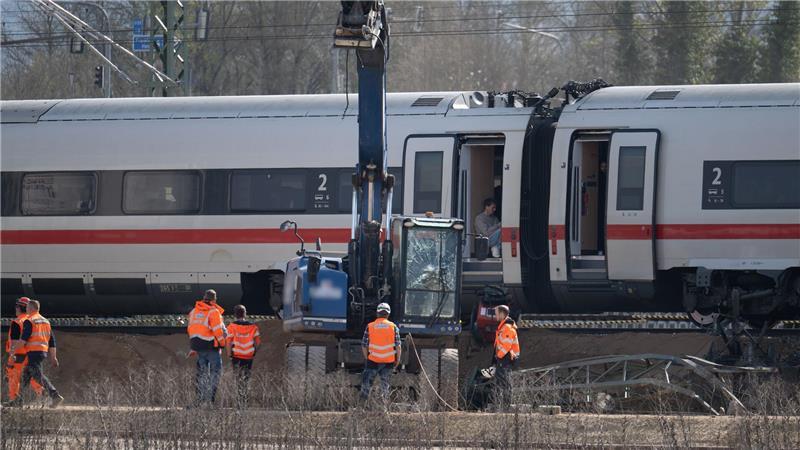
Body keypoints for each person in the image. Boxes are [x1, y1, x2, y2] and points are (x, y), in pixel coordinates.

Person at [9, 300, 63, 407]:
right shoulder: (46, 321)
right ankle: (19, 400)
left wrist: (13, 351)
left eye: (28, 307)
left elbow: (23, 340)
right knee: (26, 375)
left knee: (38, 376)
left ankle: (55, 395)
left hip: (33, 352)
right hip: (42, 352)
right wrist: (53, 357)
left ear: (32, 308)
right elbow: (52, 341)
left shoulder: (30, 321)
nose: (27, 310)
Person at [187, 289, 227, 405]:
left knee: (202, 374)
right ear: (214, 300)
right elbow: (218, 331)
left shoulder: (194, 311)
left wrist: (193, 347)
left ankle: (199, 400)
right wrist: (223, 343)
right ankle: (210, 400)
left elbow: (191, 329)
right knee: (215, 373)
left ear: (204, 298)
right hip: (211, 347)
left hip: (198, 347)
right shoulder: (213, 312)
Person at [360, 302, 401, 405]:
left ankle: (361, 408)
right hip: (388, 362)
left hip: (373, 361)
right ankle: (384, 410)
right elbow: (398, 346)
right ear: (388, 314)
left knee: (366, 385)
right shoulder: (393, 327)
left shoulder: (370, 326)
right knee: (385, 387)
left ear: (377, 313)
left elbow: (364, 345)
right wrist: (398, 360)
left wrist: (367, 358)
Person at [5, 297, 44, 406]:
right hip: (31, 354)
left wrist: (11, 357)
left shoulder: (17, 322)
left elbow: (14, 342)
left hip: (18, 354)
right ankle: (42, 395)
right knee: (32, 376)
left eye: (16, 306)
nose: (15, 309)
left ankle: (14, 400)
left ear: (19, 307)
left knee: (13, 377)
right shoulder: (32, 320)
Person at [226, 304, 261, 407]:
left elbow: (228, 342)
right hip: (248, 357)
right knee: (246, 378)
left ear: (235, 314)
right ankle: (244, 401)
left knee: (238, 379)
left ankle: (239, 403)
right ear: (245, 314)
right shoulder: (253, 327)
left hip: (236, 356)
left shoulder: (231, 327)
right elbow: (258, 343)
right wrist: (254, 352)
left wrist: (229, 354)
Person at [493, 304, 520, 410]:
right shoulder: (503, 327)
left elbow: (506, 346)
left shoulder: (507, 328)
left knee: (504, 382)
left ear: (502, 314)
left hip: (506, 359)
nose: (495, 316)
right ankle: (502, 405)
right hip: (504, 358)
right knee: (501, 382)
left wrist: (498, 356)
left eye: (496, 313)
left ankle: (506, 406)